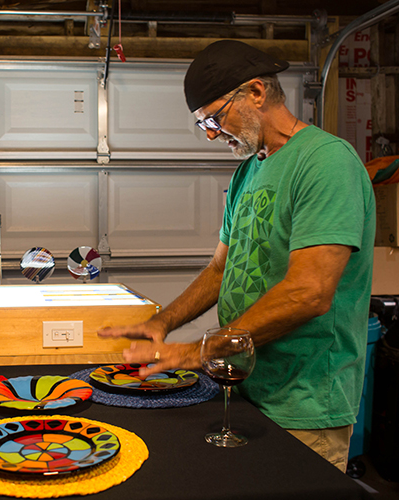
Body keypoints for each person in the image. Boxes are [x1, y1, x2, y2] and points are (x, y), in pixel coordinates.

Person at [99, 40, 375, 472]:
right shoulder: (250, 169)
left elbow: (309, 293)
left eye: (214, 117)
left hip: (303, 403)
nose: (210, 133)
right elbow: (220, 269)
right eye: (202, 124)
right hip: (245, 388)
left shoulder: (326, 163)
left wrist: (199, 352)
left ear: (257, 93)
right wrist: (161, 322)